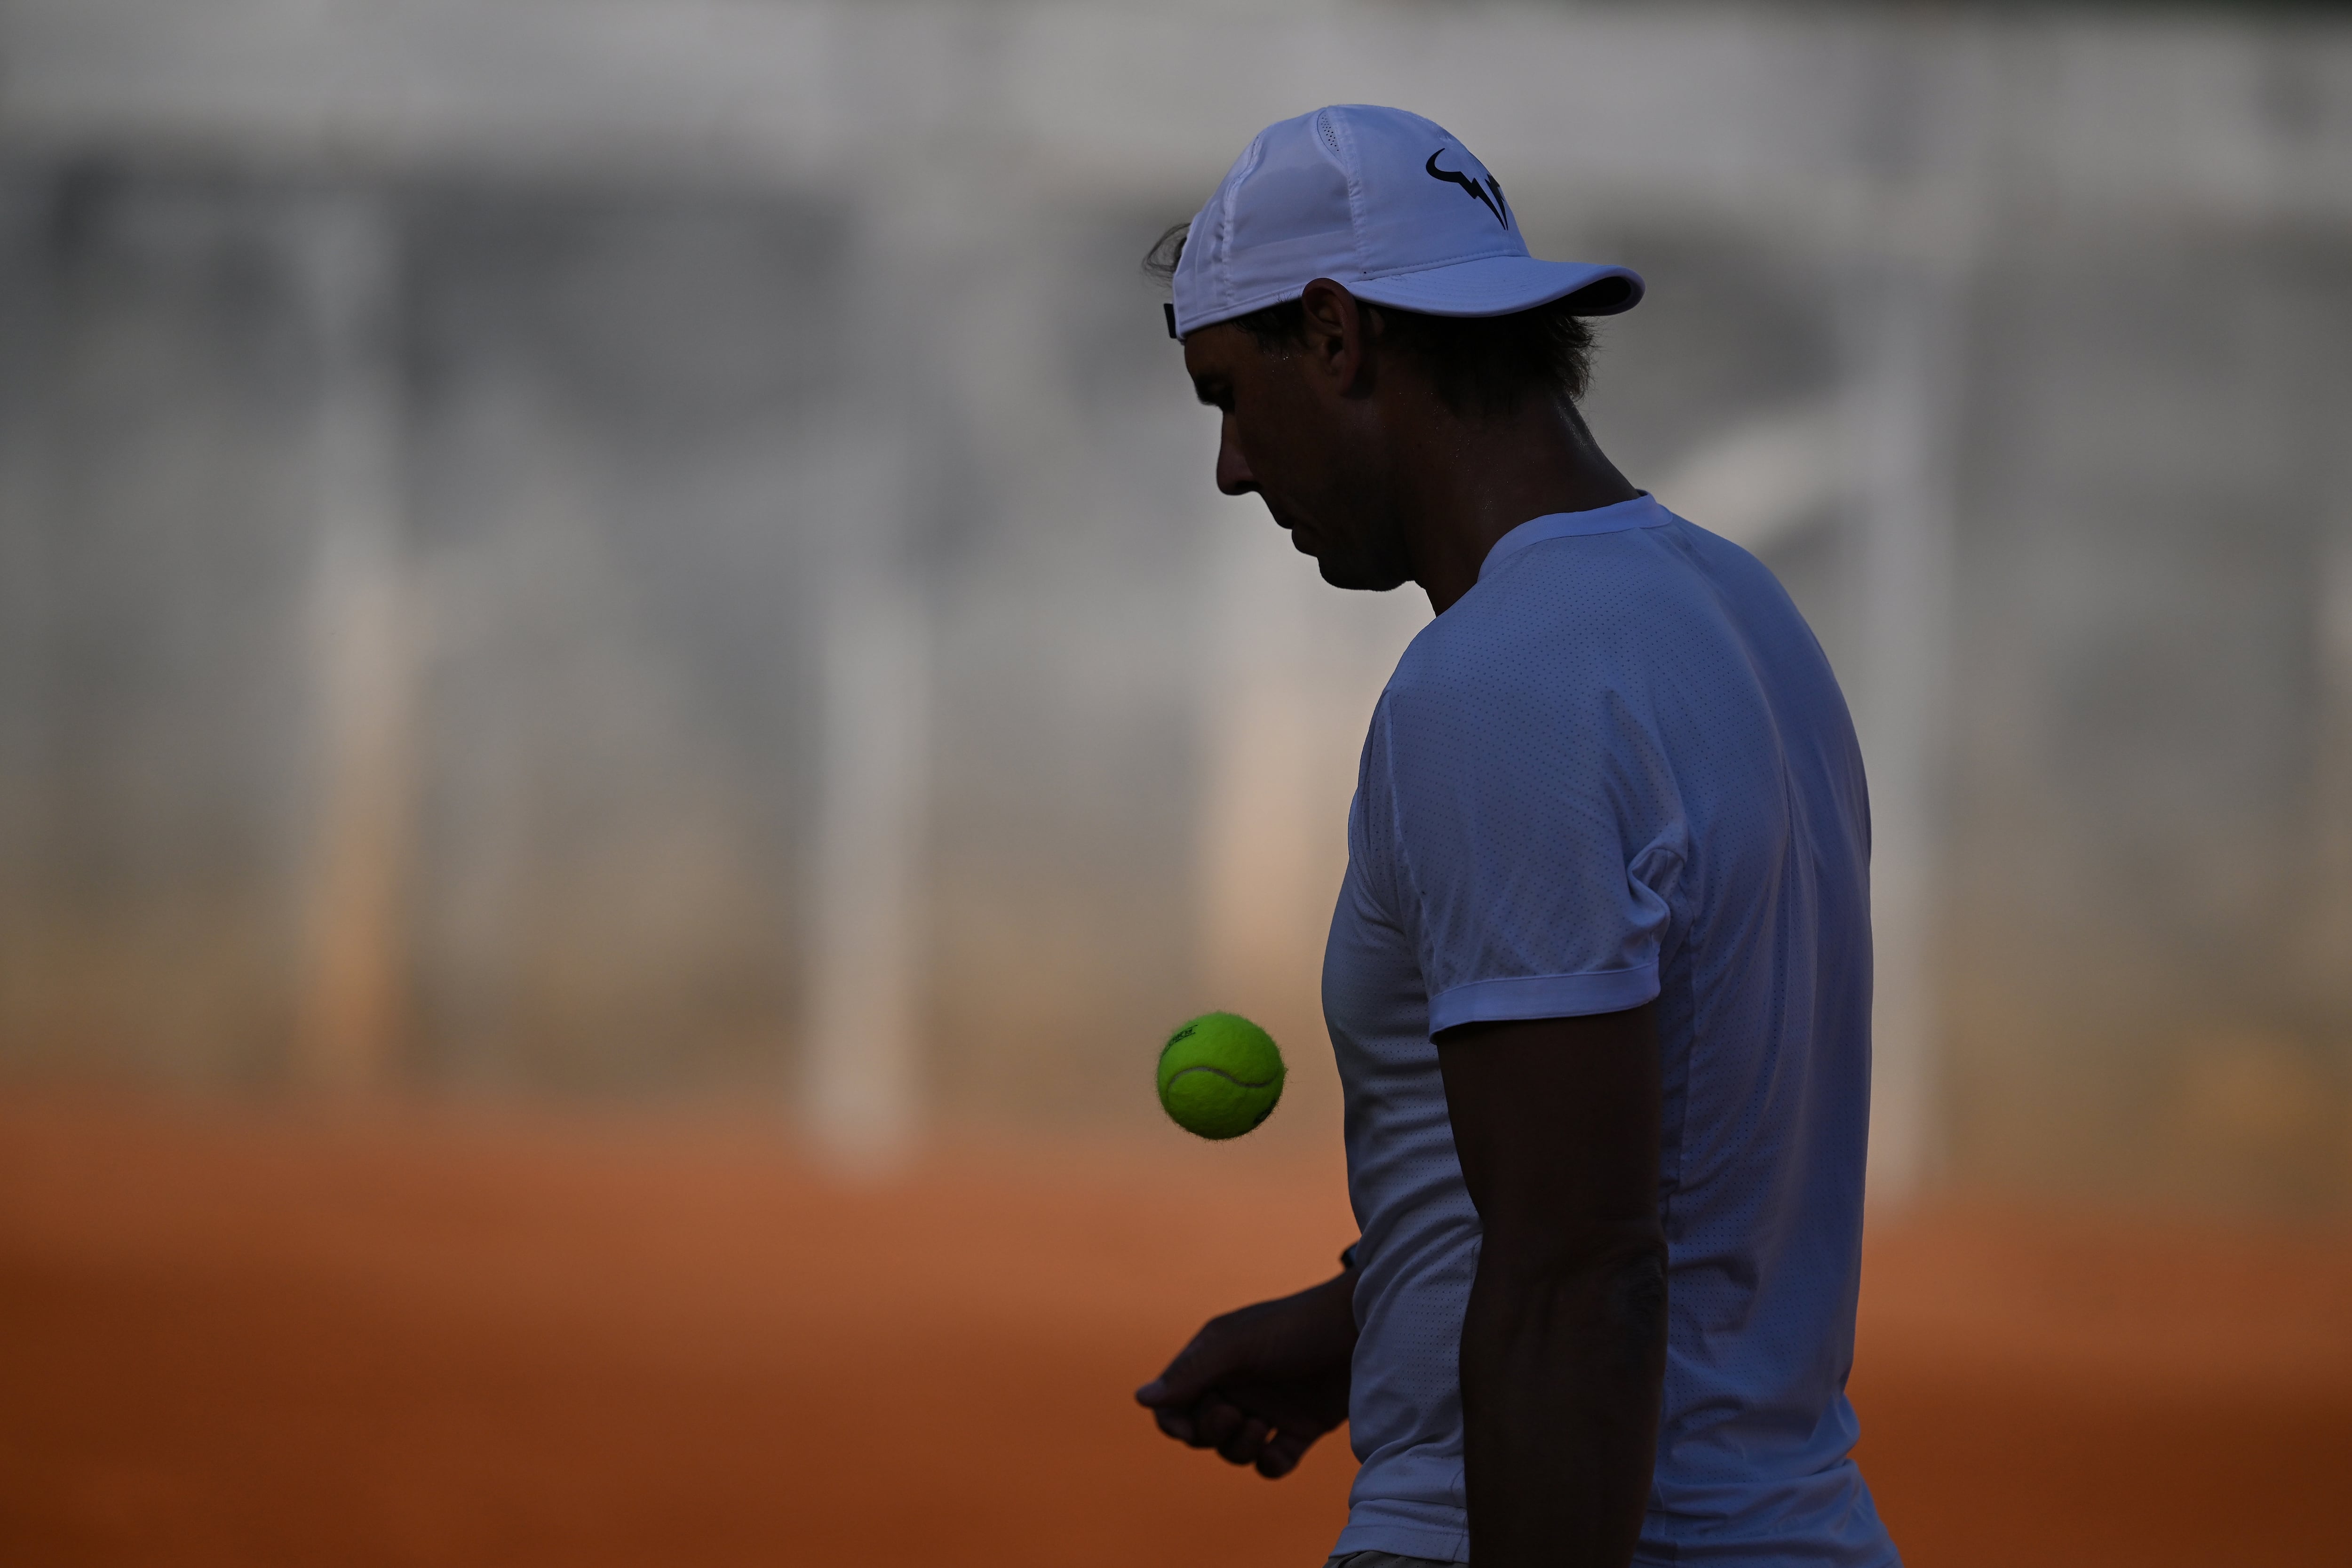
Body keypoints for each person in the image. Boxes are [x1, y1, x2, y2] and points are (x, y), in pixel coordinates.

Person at [1132, 106, 1901, 1568]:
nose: (1232, 467)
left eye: (1229, 394)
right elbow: (1657, 1151)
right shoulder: (1739, 614)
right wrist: (1373, 1319)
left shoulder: (1499, 681)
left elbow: (1582, 1271)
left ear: (1340, 333)